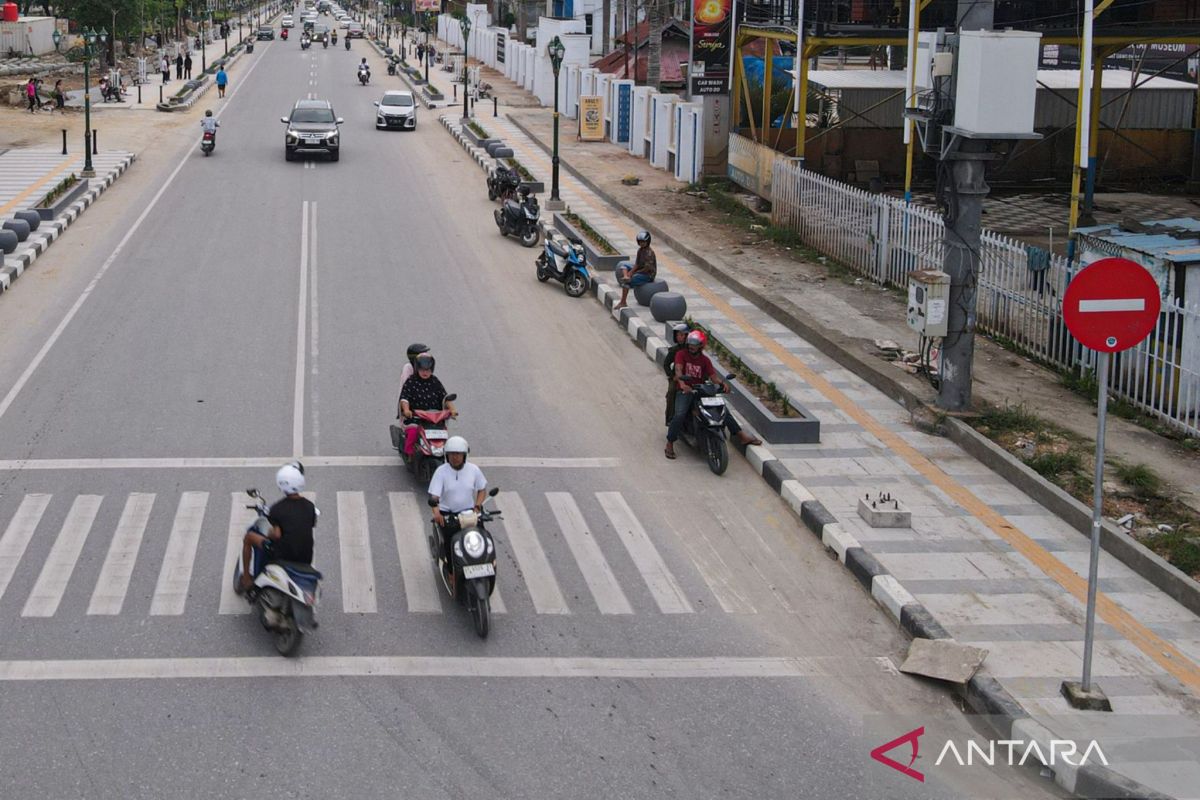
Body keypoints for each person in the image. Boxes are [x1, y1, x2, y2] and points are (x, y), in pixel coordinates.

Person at [664, 331, 761, 460]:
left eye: (696, 344)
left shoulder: (705, 360)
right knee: (679, 414)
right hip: (685, 390)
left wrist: (722, 383)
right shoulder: (681, 354)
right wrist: (682, 383)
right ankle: (670, 443)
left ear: (701, 345)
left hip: (701, 390)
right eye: (690, 343)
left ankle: (740, 435)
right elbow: (678, 369)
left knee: (722, 409)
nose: (692, 346)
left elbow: (713, 376)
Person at [238, 462, 317, 593]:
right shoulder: (310, 506)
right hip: (306, 555)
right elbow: (310, 524)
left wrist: (269, 534)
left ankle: (246, 580)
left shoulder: (277, 509)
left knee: (249, 537)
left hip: (282, 554)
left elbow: (277, 534)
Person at [428, 437, 487, 562]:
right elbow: (434, 496)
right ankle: (451, 573)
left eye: (458, 454)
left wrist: (477, 506)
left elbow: (482, 489)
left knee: (482, 538)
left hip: (470, 513)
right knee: (451, 544)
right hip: (448, 516)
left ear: (464, 455)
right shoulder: (441, 472)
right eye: (451, 454)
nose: (455, 457)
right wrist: (437, 512)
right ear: (447, 455)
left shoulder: (473, 470)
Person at [398, 353, 457, 457]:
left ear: (432, 369)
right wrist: (407, 410)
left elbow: (445, 397)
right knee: (412, 432)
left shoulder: (435, 381)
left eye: (428, 370)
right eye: (422, 370)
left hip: (435, 418)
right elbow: (404, 399)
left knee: (444, 435)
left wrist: (452, 410)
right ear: (417, 369)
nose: (425, 372)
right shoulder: (411, 381)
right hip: (416, 418)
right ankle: (409, 454)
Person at [614, 230, 657, 311]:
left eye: (643, 242)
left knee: (626, 283)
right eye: (640, 242)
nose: (641, 243)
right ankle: (626, 276)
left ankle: (623, 302)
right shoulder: (640, 250)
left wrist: (634, 273)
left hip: (648, 274)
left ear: (648, 241)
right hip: (640, 269)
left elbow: (647, 269)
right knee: (624, 266)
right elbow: (637, 264)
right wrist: (630, 272)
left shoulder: (649, 253)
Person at [662, 322, 690, 425]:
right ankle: (670, 419)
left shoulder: (692, 349)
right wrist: (672, 376)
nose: (679, 337)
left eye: (682, 335)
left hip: (691, 377)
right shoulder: (674, 350)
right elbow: (666, 364)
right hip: (677, 378)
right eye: (678, 335)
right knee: (671, 392)